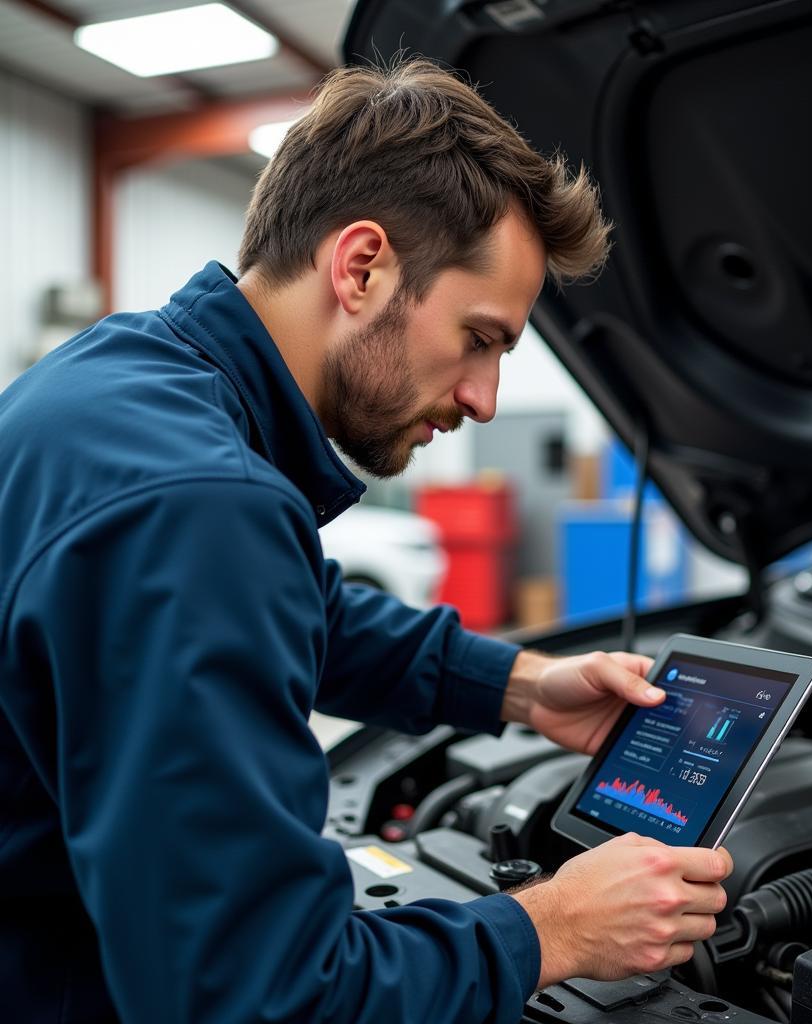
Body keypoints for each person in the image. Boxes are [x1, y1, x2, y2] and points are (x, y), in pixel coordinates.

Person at [0, 59, 732, 1024]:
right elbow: (255, 998)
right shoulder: (201, 508)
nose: (483, 398)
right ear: (361, 266)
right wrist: (551, 928)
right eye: (481, 338)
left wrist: (521, 688)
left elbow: (295, 607)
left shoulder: (122, 379)